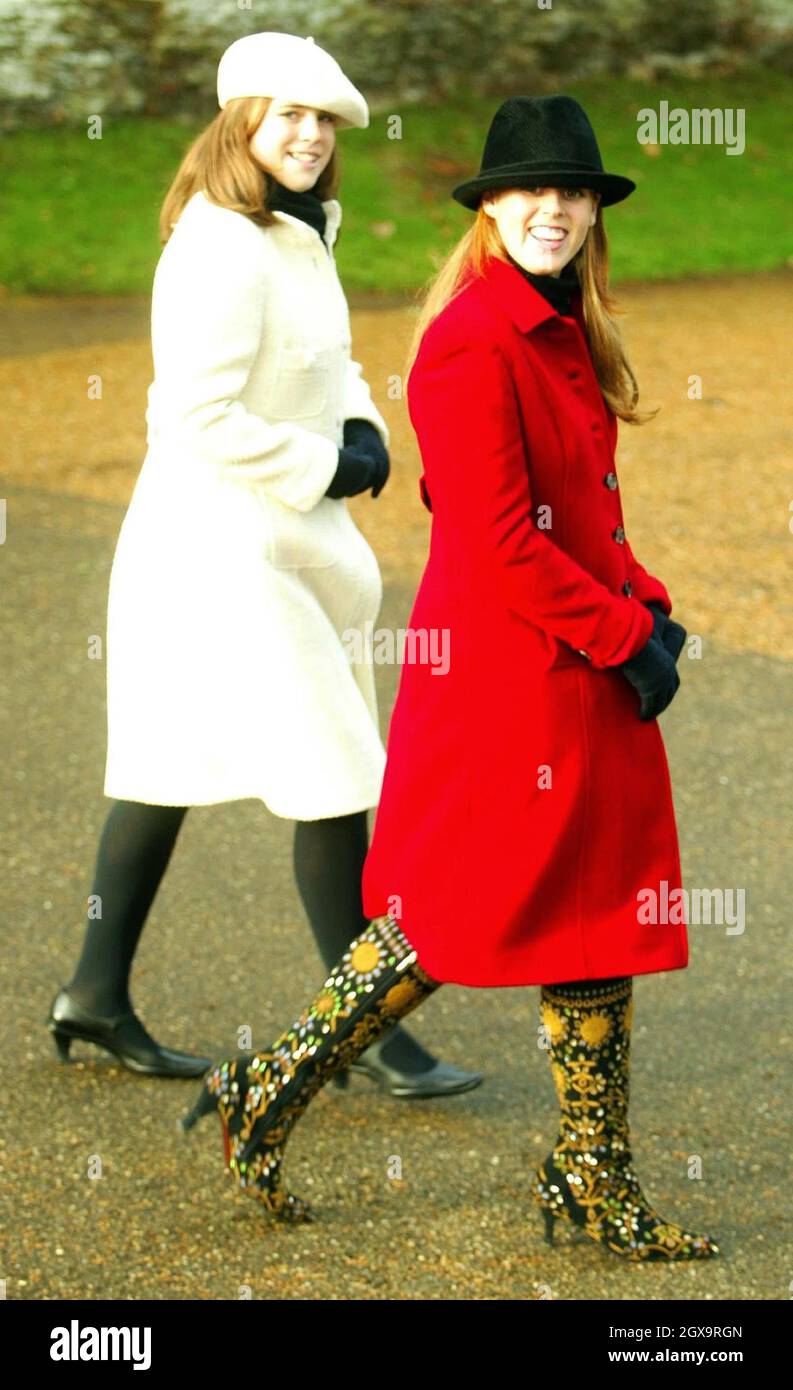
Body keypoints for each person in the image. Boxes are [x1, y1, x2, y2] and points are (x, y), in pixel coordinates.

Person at [181, 94, 720, 1262]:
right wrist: (624, 636)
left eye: (572, 190)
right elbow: (498, 543)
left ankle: (590, 1177)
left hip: (576, 660)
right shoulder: (472, 339)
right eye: (528, 189)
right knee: (450, 912)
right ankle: (265, 1087)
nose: (553, 207)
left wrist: (647, 604)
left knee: (596, 919)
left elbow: (577, 513)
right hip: (516, 678)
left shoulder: (561, 323)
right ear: (488, 208)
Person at [46, 32, 481, 1100]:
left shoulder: (295, 230)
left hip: (267, 536)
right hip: (222, 543)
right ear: (239, 118)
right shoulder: (222, 244)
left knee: (163, 766)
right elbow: (188, 415)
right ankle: (366, 1029)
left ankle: (94, 996)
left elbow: (318, 365)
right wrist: (327, 462)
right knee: (334, 773)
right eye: (288, 114)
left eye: (324, 121)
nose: (308, 135)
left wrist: (361, 422)